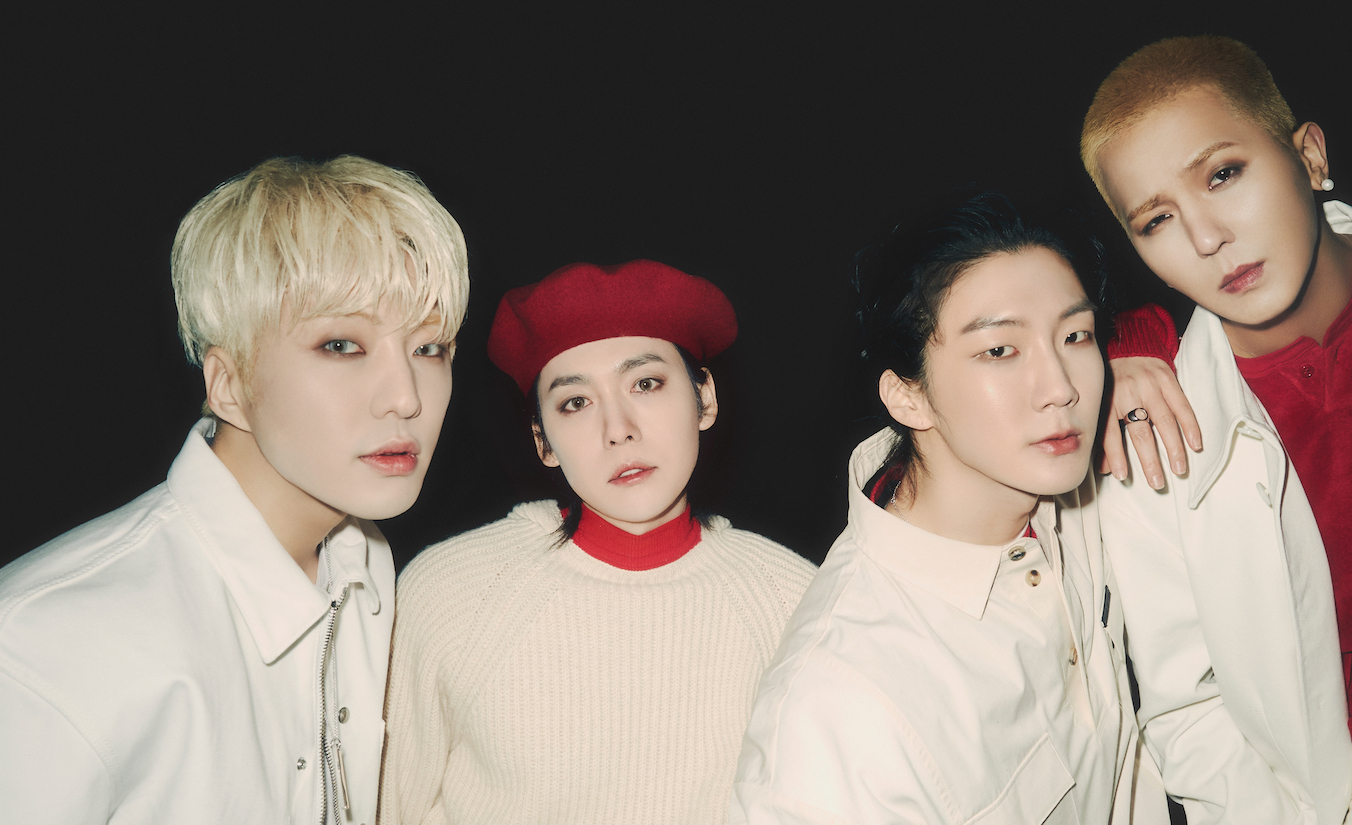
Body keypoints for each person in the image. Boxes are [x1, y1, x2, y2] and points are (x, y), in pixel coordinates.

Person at [1082, 36, 1352, 824]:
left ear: (1309, 156)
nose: (1206, 237)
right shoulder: (1149, 444)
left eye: (1223, 174)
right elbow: (1188, 712)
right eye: (1157, 218)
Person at [0, 156, 469, 824]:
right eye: (342, 345)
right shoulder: (42, 650)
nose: (406, 397)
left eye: (430, 348)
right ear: (228, 385)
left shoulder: (368, 571)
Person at [732, 192, 1167, 824]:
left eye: (1074, 336)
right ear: (906, 397)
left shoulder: (1064, 491)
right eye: (999, 350)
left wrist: (1138, 349)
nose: (1062, 388)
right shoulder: (838, 714)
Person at [378, 259, 817, 824]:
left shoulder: (794, 602)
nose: (618, 429)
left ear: (704, 398)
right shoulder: (452, 592)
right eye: (576, 402)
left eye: (646, 383)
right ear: (543, 441)